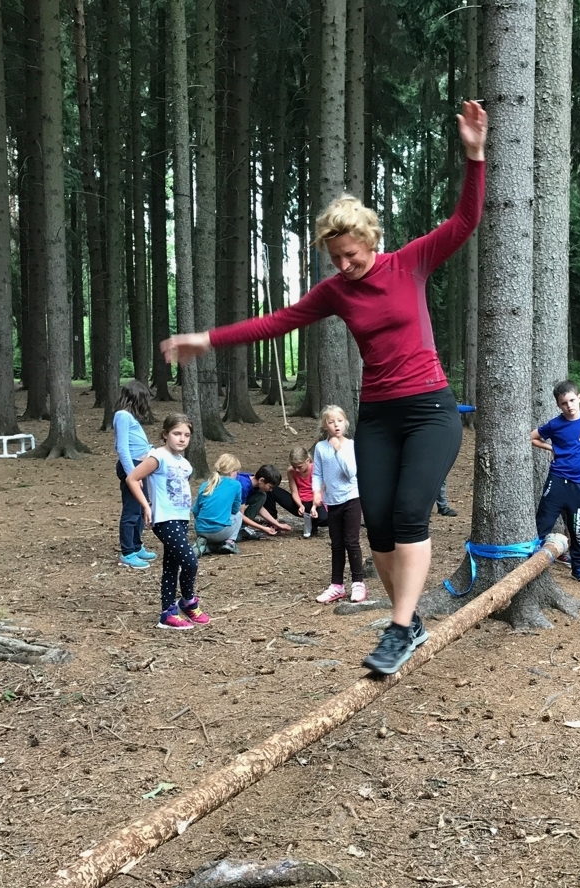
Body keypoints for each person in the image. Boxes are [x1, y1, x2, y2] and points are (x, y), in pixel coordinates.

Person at [162, 100, 487, 675]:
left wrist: (474, 156)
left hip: (429, 410)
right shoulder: (336, 291)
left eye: (351, 255)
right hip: (378, 416)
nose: (343, 265)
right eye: (335, 258)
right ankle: (408, 620)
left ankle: (397, 629)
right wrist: (206, 339)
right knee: (377, 525)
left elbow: (464, 221)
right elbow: (277, 322)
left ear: (371, 241)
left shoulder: (410, 263)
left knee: (409, 516)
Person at [124, 414, 212, 630]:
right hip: (164, 519)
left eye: (187, 435)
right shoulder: (158, 457)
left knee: (171, 565)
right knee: (190, 561)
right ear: (165, 434)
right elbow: (132, 478)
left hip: (181, 518)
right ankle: (188, 601)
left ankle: (168, 613)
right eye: (177, 433)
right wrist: (146, 506)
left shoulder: (186, 464)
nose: (182, 439)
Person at [531, 380, 580, 583]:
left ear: (579, 398)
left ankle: (579, 568)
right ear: (558, 405)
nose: (569, 406)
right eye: (564, 403)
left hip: (579, 484)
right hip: (557, 481)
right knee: (542, 523)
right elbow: (533, 437)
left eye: (572, 400)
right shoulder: (555, 424)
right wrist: (551, 448)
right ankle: (529, 561)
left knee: (578, 530)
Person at [313, 405, 367, 604]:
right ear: (324, 425)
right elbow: (317, 473)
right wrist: (316, 492)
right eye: (331, 422)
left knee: (351, 541)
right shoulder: (320, 448)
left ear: (345, 423)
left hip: (352, 497)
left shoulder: (351, 446)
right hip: (332, 501)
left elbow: (351, 472)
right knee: (336, 544)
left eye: (339, 421)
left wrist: (338, 450)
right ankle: (337, 585)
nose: (336, 425)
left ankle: (358, 583)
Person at [114, 380, 157, 569]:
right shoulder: (122, 416)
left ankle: (137, 546)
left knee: (141, 509)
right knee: (131, 511)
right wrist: (132, 474)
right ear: (136, 398)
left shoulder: (131, 418)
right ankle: (127, 552)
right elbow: (122, 448)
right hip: (132, 468)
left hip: (140, 467)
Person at [192, 453, 244, 556]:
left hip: (200, 530)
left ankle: (205, 544)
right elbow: (235, 510)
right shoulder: (236, 485)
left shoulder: (205, 484)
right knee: (238, 515)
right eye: (236, 471)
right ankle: (230, 542)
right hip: (220, 532)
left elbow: (195, 510)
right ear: (231, 471)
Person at [239, 465, 295, 540]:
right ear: (261, 480)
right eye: (270, 487)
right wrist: (263, 528)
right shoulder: (243, 487)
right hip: (227, 512)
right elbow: (240, 516)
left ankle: (242, 527)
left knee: (261, 495)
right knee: (237, 537)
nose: (271, 490)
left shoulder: (253, 482)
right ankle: (239, 528)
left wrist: (277, 524)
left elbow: (259, 508)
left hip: (235, 511)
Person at [287, 447, 329, 535]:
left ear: (307, 460)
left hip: (315, 500)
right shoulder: (291, 471)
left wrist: (314, 507)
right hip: (301, 501)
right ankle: (272, 522)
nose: (296, 470)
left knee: (324, 519)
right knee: (273, 490)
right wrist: (300, 505)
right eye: (294, 467)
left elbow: (320, 491)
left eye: (299, 467)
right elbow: (294, 492)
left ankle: (312, 523)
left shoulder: (317, 468)